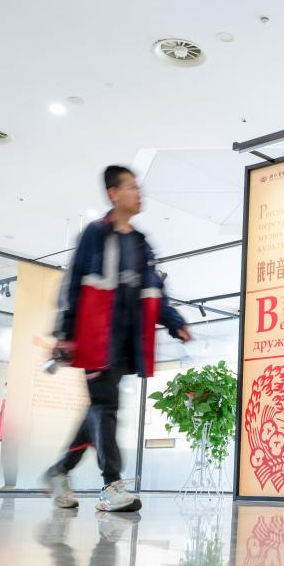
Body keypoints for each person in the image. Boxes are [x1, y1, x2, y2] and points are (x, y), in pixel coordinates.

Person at [42, 165, 191, 512]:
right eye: (132, 187)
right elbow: (73, 284)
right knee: (106, 408)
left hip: (127, 344)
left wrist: (174, 322)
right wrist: (65, 333)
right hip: (96, 340)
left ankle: (59, 471)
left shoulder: (141, 244)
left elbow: (155, 291)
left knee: (98, 411)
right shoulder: (95, 234)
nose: (139, 193)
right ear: (113, 194)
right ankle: (111, 485)